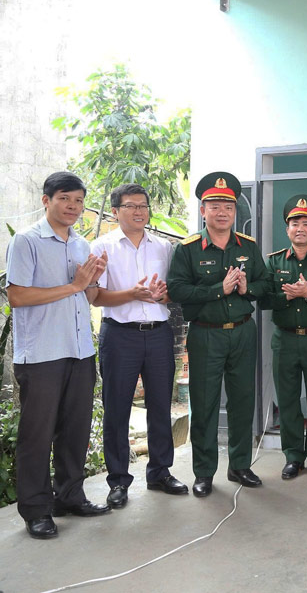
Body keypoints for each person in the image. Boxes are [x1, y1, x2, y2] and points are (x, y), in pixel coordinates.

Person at [6, 171, 110, 539]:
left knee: (75, 429)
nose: (73, 207)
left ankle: (69, 497)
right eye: (65, 198)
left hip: (80, 350)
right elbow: (17, 296)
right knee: (37, 435)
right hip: (42, 354)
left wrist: (93, 280)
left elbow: (90, 298)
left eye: (79, 201)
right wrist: (75, 285)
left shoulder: (82, 245)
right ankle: (36, 509)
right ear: (46, 200)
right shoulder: (27, 241)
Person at [167, 172, 271, 498]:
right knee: (205, 405)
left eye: (228, 205)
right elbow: (177, 289)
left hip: (242, 332)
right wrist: (219, 289)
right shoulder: (188, 249)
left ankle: (239, 465)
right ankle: (204, 473)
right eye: (215, 205)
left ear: (235, 211)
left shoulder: (249, 247)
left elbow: (265, 286)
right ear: (203, 210)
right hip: (205, 335)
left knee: (242, 403)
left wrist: (246, 287)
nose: (222, 211)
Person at [90, 183, 187, 510]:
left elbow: (174, 292)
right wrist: (132, 294)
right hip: (119, 335)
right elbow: (95, 296)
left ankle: (159, 472)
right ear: (116, 211)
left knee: (161, 404)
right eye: (130, 206)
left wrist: (162, 296)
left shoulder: (163, 247)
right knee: (117, 408)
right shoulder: (101, 246)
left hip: (159, 333)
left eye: (143, 206)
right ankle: (118, 481)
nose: (138, 212)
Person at [259, 195, 307, 480]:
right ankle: (293, 456)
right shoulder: (273, 261)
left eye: (306, 223)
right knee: (288, 400)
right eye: (294, 223)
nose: (300, 228)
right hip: (286, 340)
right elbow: (264, 298)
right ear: (287, 228)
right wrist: (286, 296)